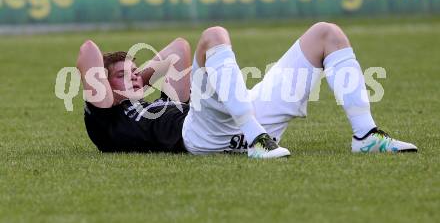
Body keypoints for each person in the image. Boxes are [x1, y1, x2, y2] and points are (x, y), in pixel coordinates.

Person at [76, 22, 417, 158]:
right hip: (200, 136)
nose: (132, 77)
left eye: (132, 72)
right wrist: (115, 83)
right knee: (214, 37)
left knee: (326, 34)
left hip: (239, 116)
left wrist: (143, 74)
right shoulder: (108, 121)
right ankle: (257, 139)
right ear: (102, 84)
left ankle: (365, 135)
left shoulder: (161, 101)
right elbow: (88, 50)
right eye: (122, 74)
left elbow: (179, 47)